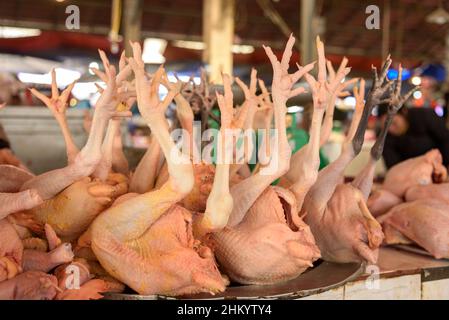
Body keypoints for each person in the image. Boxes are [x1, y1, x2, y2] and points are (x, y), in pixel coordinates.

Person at [378, 104, 449, 168]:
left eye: (394, 123)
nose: (391, 129)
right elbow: (393, 166)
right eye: (386, 126)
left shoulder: (423, 115)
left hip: (441, 165)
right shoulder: (386, 137)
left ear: (404, 113)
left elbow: (445, 138)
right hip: (413, 175)